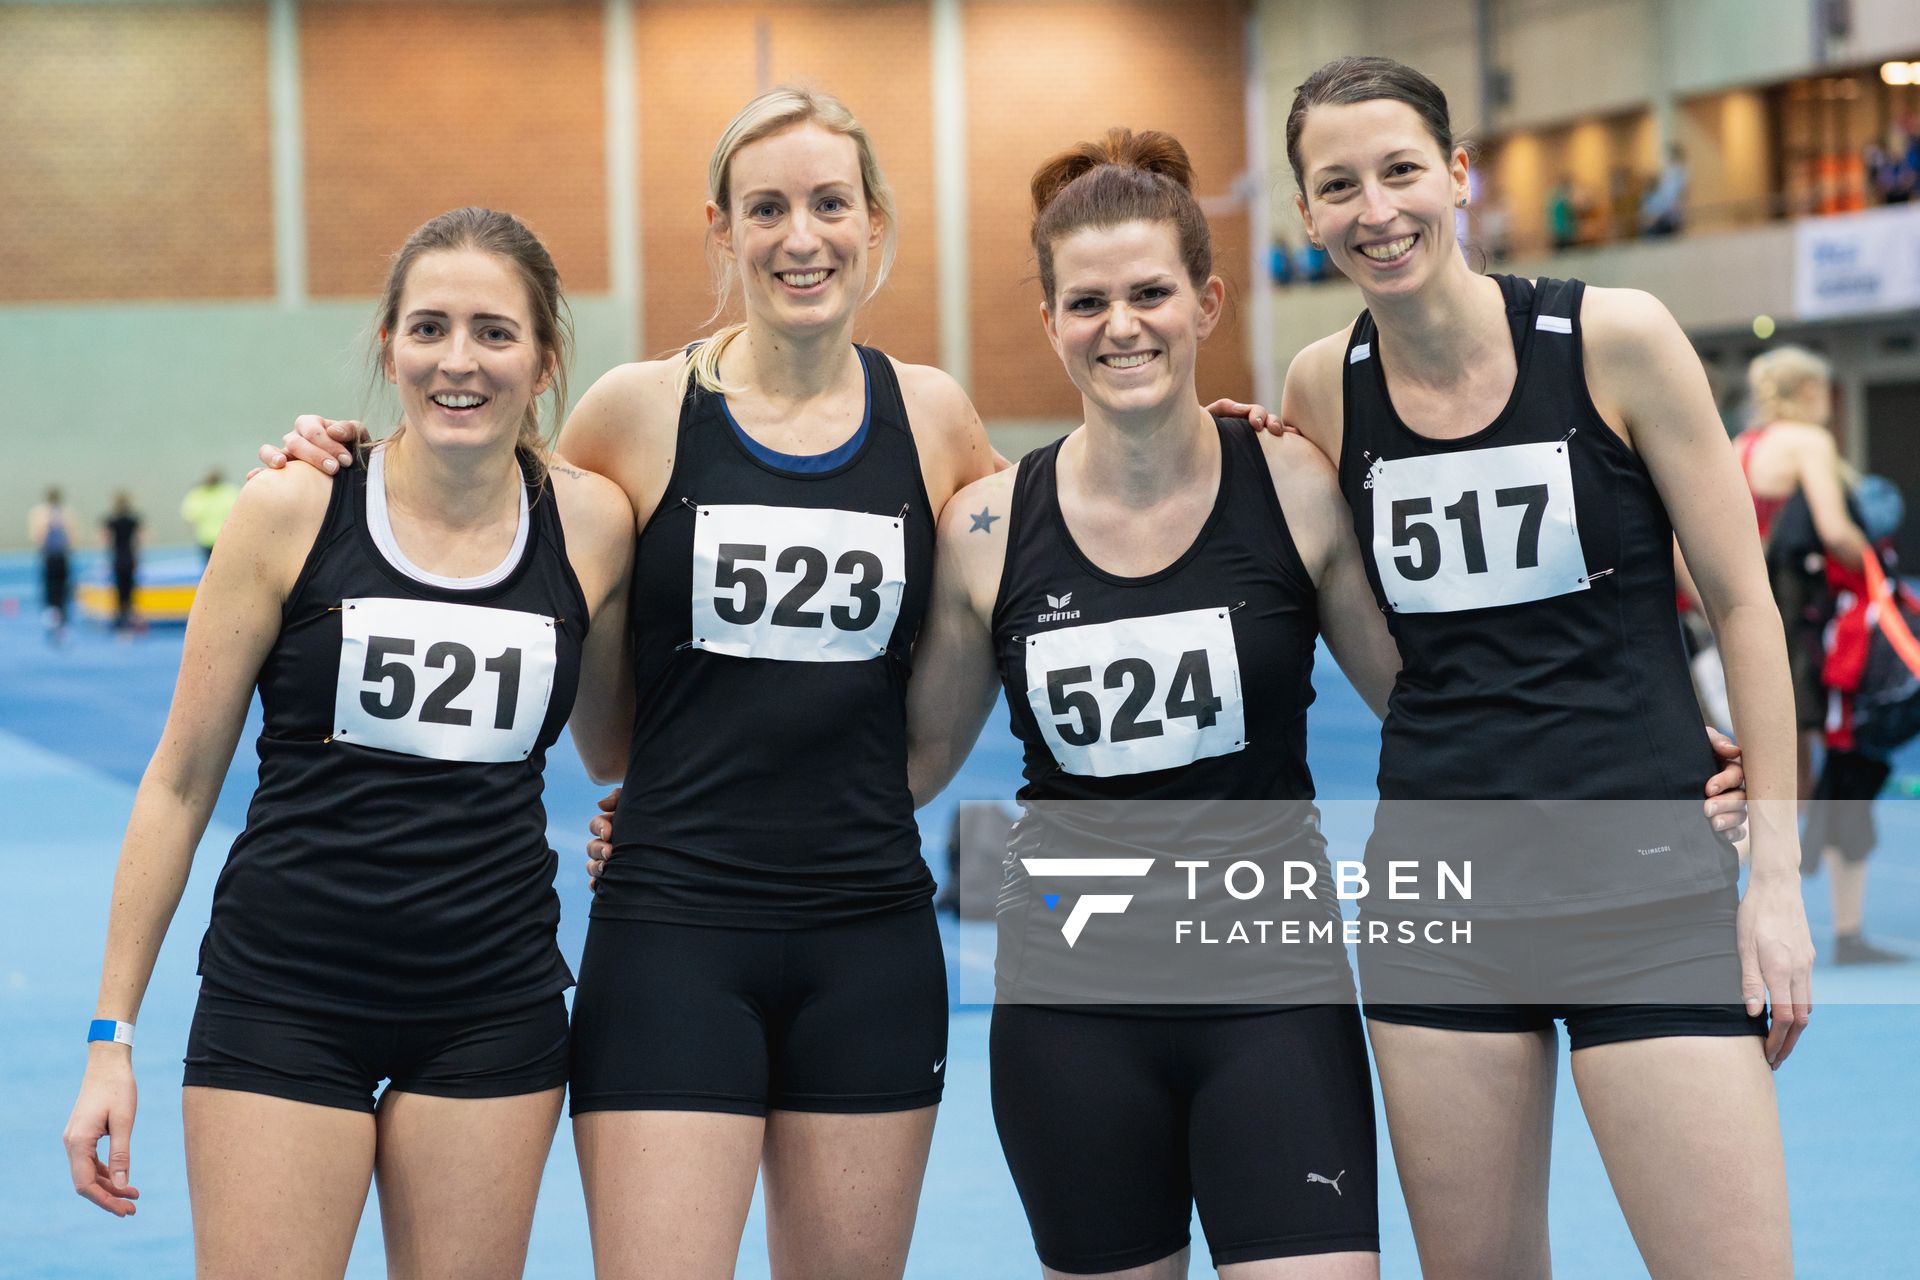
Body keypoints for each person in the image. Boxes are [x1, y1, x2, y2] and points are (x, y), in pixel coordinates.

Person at [264, 88, 1002, 1280]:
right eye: (766, 208)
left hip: (869, 926)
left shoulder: (934, 417)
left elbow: (1072, 528)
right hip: (675, 929)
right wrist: (337, 455)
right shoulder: (639, 414)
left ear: (875, 225)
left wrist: (1227, 440)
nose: (799, 236)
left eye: (828, 205)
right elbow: (473, 493)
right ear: (721, 230)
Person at [1275, 56, 1808, 1280]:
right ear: (1307, 214)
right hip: (1441, 900)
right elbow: (1379, 644)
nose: (1377, 210)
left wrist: (1774, 871)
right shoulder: (1322, 388)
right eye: (1338, 185)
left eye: (1402, 170)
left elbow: (1741, 602)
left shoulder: (1614, 337)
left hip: (1647, 889)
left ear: (1459, 176)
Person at [61, 207, 634, 1280]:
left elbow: (618, 747)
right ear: (388, 346)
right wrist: (111, 1035)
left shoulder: (595, 525)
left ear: (545, 359)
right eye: (428, 328)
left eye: (494, 332)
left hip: (492, 1009)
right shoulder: (292, 507)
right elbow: (180, 781)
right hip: (284, 997)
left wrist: (636, 820)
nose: (458, 360)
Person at [905, 127, 1401, 1280]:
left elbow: (1427, 704)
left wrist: (1648, 752)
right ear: (1049, 322)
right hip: (1073, 1008)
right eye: (1086, 302)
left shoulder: (1295, 483)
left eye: (1148, 293)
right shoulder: (985, 530)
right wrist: (679, 803)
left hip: (1271, 990)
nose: (1119, 325)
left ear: (1206, 301)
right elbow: (908, 762)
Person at [1738, 346, 1907, 964]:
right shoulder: (1806, 442)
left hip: (1756, 621)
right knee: (1815, 769)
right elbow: (1835, 530)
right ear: (1811, 392)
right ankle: (1803, 903)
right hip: (1810, 628)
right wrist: (1883, 583)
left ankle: (1792, 901)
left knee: (1780, 767)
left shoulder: (1743, 447)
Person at [28, 486, 73, 643]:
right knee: (51, 588)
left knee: (62, 588)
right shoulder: (41, 514)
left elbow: (71, 534)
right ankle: (52, 618)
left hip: (61, 555)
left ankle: (61, 618)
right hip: (49, 555)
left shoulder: (65, 513)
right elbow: (37, 535)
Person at [101, 492, 142, 633]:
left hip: (117, 558)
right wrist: (139, 555)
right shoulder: (132, 520)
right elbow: (139, 538)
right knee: (129, 588)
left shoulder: (112, 520)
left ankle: (120, 618)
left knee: (119, 588)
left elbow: (106, 539)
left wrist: (106, 557)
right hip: (129, 557)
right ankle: (129, 616)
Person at [180, 469, 239, 563]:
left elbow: (190, 517)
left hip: (207, 538)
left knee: (210, 568)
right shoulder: (229, 492)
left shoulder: (198, 494)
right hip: (224, 537)